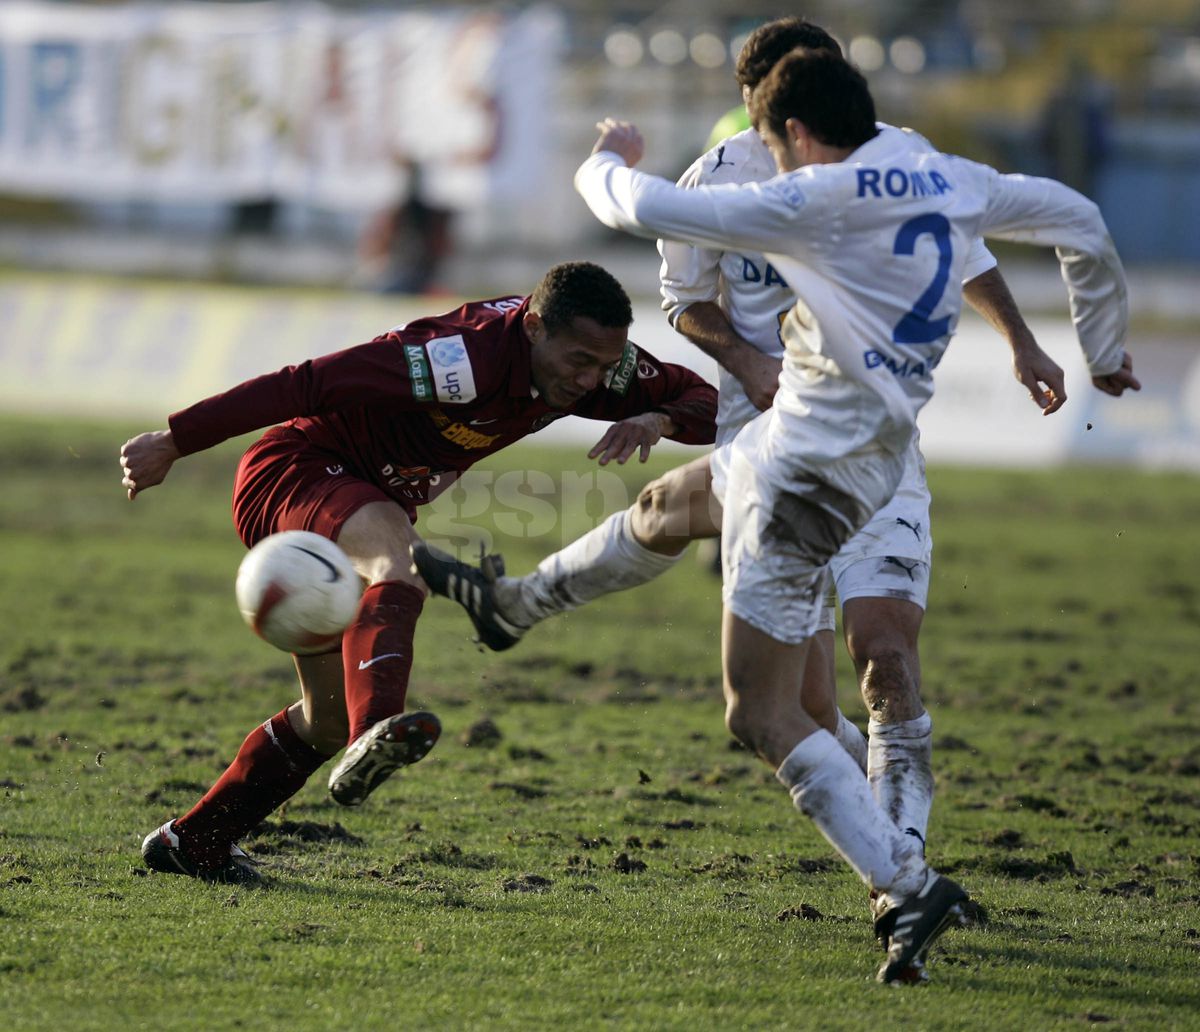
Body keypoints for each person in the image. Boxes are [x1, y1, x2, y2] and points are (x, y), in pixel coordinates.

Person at [414, 17, 1069, 880]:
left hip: (869, 446)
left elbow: (971, 253)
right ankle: (518, 608)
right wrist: (750, 360)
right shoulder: (720, 178)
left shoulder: (899, 158)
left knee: (877, 658)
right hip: (763, 435)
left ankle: (902, 870)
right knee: (778, 679)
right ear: (762, 105)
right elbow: (684, 299)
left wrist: (1020, 341)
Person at [569, 51, 1138, 983]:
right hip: (791, 454)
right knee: (800, 702)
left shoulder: (844, 180)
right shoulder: (826, 170)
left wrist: (608, 157)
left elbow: (640, 209)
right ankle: (901, 872)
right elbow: (685, 302)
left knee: (834, 675)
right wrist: (1103, 347)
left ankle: (902, 881)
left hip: (834, 461)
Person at [118, 261, 717, 885]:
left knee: (324, 719)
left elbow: (708, 400)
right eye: (580, 361)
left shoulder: (600, 366)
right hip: (299, 469)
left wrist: (659, 420)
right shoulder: (455, 359)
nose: (592, 380)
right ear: (535, 328)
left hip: (373, 498)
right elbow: (305, 384)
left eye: (604, 363)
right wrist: (175, 440)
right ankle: (377, 727)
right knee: (400, 566)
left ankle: (194, 842)